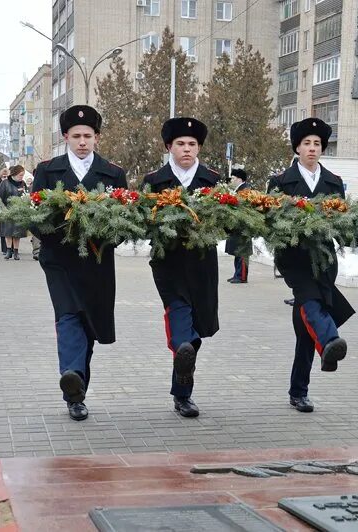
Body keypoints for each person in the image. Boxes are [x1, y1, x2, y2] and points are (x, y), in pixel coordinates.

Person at [31, 105, 127, 421]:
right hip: (59, 260)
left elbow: (126, 220)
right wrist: (58, 234)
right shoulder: (48, 171)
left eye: (88, 136)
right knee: (68, 315)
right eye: (76, 136)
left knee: (89, 322)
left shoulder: (113, 173)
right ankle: (72, 384)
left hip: (98, 261)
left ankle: (77, 385)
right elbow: (34, 217)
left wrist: (104, 236)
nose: (82, 141)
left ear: (97, 137)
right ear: (65, 137)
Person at [267, 118, 354, 413]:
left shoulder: (333, 182)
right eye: (306, 143)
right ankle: (330, 340)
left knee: (304, 328)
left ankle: (298, 391)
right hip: (294, 258)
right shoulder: (281, 182)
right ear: (297, 147)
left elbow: (341, 220)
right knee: (311, 301)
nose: (312, 149)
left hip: (324, 259)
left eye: (317, 144)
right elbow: (271, 221)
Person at [143, 117, 220, 418]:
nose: (186, 149)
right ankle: (183, 396)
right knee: (179, 317)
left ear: (199, 147)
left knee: (196, 331)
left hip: (203, 262)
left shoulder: (212, 180)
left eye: (192, 144)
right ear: (169, 147)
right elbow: (142, 218)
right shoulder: (155, 180)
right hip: (169, 261)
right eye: (180, 144)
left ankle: (183, 374)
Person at [0, 164, 29, 260]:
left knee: (17, 233)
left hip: (19, 211)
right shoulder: (5, 183)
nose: (21, 177)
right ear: (14, 174)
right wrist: (1, 208)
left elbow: (26, 195)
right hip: (7, 210)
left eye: (22, 175)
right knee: (8, 232)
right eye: (20, 175)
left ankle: (16, 252)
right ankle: (8, 251)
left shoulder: (23, 183)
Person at [225, 167, 251, 284]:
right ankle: (237, 273)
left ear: (240, 179)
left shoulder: (245, 190)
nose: (231, 180)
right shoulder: (238, 189)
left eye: (233, 178)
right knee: (237, 251)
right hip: (237, 227)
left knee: (242, 251)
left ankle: (242, 276)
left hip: (243, 227)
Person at [0, 166, 11, 254]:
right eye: (3, 176)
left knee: (11, 229)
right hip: (2, 207)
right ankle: (4, 249)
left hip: (11, 206)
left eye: (6, 176)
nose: (5, 178)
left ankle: (11, 248)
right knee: (3, 229)